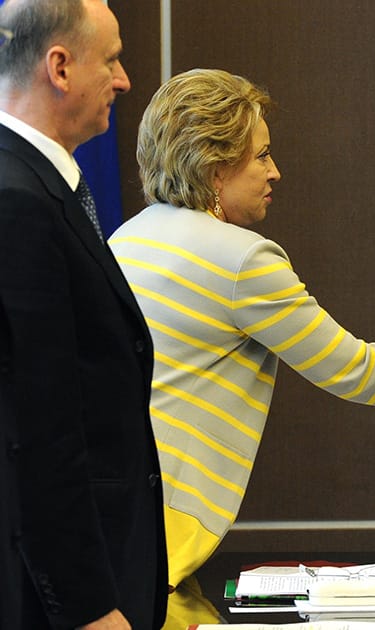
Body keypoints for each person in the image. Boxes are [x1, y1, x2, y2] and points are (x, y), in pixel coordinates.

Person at [107, 68, 375, 588]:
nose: (275, 172)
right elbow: (350, 368)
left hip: (107, 510)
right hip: (160, 523)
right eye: (262, 155)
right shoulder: (240, 259)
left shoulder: (128, 237)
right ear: (214, 169)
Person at [0, 1, 168, 628]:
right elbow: (39, 432)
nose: (124, 81)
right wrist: (90, 608)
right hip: (64, 602)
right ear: (61, 67)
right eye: (114, 59)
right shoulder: (17, 200)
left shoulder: (44, 186)